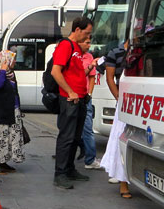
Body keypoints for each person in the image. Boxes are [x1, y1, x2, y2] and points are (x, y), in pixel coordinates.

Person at [50, 17, 97, 189]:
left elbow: (77, 73)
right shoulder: (66, 46)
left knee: (76, 137)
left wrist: (90, 68)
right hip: (70, 99)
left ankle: (69, 169)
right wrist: (70, 91)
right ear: (77, 30)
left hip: (81, 99)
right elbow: (56, 71)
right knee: (67, 137)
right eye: (86, 33)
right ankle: (60, 173)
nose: (88, 37)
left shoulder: (77, 49)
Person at [100, 41, 132, 198]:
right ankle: (122, 181)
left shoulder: (145, 51)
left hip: (142, 100)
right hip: (124, 101)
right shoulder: (115, 53)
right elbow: (110, 78)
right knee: (121, 138)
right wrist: (119, 98)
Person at [0, 50, 25, 174]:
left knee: (10, 137)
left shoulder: (10, 73)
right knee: (1, 137)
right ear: (6, 60)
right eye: (13, 59)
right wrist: (3, 70)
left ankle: (4, 161)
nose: (15, 62)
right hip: (1, 111)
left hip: (12, 110)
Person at [78, 38, 101, 170]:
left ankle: (90, 159)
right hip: (73, 97)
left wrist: (90, 93)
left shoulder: (89, 56)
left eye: (89, 42)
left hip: (85, 97)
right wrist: (90, 66)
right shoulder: (73, 56)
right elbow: (78, 75)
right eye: (86, 42)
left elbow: (91, 77)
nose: (89, 45)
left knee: (87, 129)